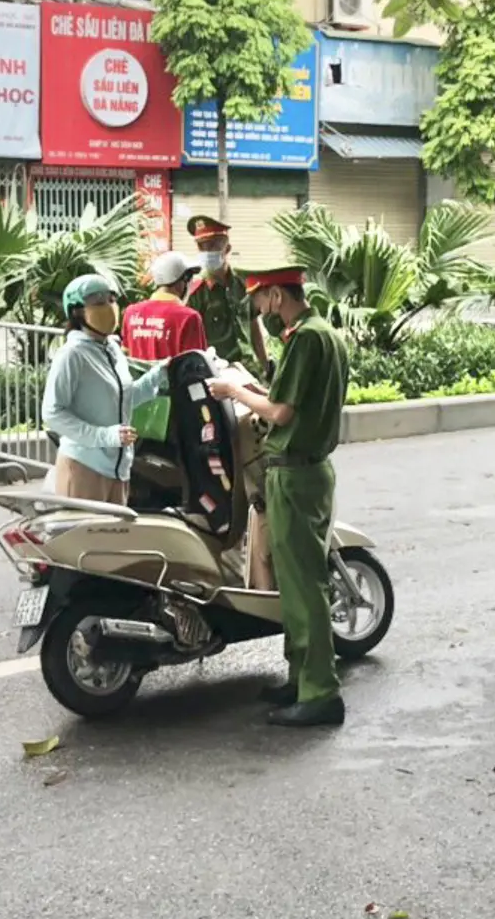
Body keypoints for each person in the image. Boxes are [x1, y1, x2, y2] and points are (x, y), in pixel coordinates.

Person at [208, 267, 349, 727]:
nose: (257, 311)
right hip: (308, 470)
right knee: (296, 582)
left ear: (273, 295)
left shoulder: (306, 339)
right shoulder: (320, 332)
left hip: (297, 474)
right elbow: (291, 399)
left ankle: (321, 692)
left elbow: (283, 412)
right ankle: (301, 678)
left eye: (259, 301)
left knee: (306, 586)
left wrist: (234, 391)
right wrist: (254, 391)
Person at [42, 272, 167, 503]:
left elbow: (122, 397)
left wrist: (157, 376)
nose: (109, 308)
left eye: (111, 300)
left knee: (115, 538)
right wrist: (104, 436)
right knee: (85, 538)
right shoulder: (72, 355)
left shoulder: (112, 349)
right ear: (77, 311)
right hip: (84, 467)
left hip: (118, 468)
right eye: (98, 303)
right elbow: (52, 413)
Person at [184, 215, 272, 379]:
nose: (208, 251)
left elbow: (253, 325)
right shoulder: (195, 291)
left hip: (250, 369)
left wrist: (265, 363)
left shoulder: (243, 283)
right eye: (202, 247)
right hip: (218, 374)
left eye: (214, 245)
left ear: (227, 248)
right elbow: (191, 340)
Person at [121, 251, 207, 363]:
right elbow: (197, 366)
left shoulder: (131, 312)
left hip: (138, 381)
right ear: (184, 279)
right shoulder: (189, 317)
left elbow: (125, 356)